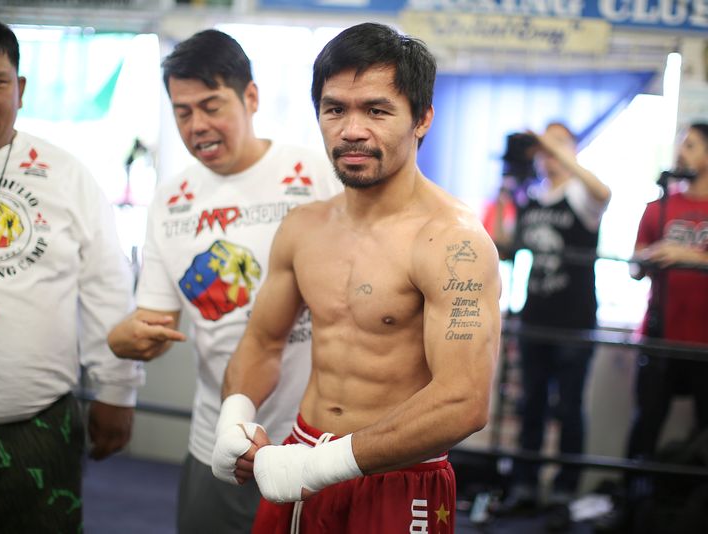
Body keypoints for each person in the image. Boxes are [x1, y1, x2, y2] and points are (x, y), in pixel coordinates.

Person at [210, 22, 501, 534]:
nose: (351, 130)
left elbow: (464, 400)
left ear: (423, 119)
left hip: (399, 476)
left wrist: (320, 465)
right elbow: (262, 341)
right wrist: (234, 415)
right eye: (335, 108)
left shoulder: (453, 243)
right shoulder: (304, 227)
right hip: (299, 456)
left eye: (377, 110)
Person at [0, 13, 143, 534]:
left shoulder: (66, 173)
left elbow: (106, 286)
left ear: (21, 88)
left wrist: (117, 390)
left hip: (41, 426)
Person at [106, 29, 339, 534]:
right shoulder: (171, 199)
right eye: (183, 111)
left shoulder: (317, 172)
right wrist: (127, 339)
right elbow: (156, 318)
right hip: (220, 440)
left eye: (211, 106)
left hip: (322, 442)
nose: (198, 126)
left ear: (250, 97)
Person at [490, 122, 611, 530]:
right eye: (544, 143)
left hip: (574, 321)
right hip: (534, 319)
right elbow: (503, 245)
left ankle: (565, 490)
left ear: (572, 149)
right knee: (531, 407)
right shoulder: (533, 198)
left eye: (558, 141)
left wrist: (556, 150)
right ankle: (524, 485)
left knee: (569, 407)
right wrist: (505, 194)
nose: (547, 150)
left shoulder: (581, 196)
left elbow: (603, 193)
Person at [602, 122, 708, 531]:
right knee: (645, 424)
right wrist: (650, 256)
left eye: (692, 145)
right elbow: (633, 269)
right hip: (660, 337)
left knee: (704, 430)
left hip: (703, 344)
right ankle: (631, 508)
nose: (682, 153)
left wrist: (687, 254)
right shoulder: (658, 206)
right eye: (681, 145)